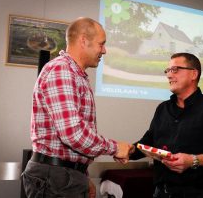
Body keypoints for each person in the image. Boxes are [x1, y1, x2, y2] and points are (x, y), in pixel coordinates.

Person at [22, 17, 133, 198]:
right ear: (83, 41)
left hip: (64, 175)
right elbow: (73, 133)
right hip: (55, 178)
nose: (104, 50)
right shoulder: (62, 70)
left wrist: (81, 175)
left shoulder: (75, 74)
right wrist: (114, 148)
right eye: (101, 44)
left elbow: (69, 146)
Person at [130, 53, 203, 198]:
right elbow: (148, 141)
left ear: (193, 74)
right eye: (167, 71)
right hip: (160, 192)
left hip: (195, 193)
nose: (169, 75)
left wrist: (193, 160)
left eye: (175, 69)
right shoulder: (162, 108)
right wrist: (128, 150)